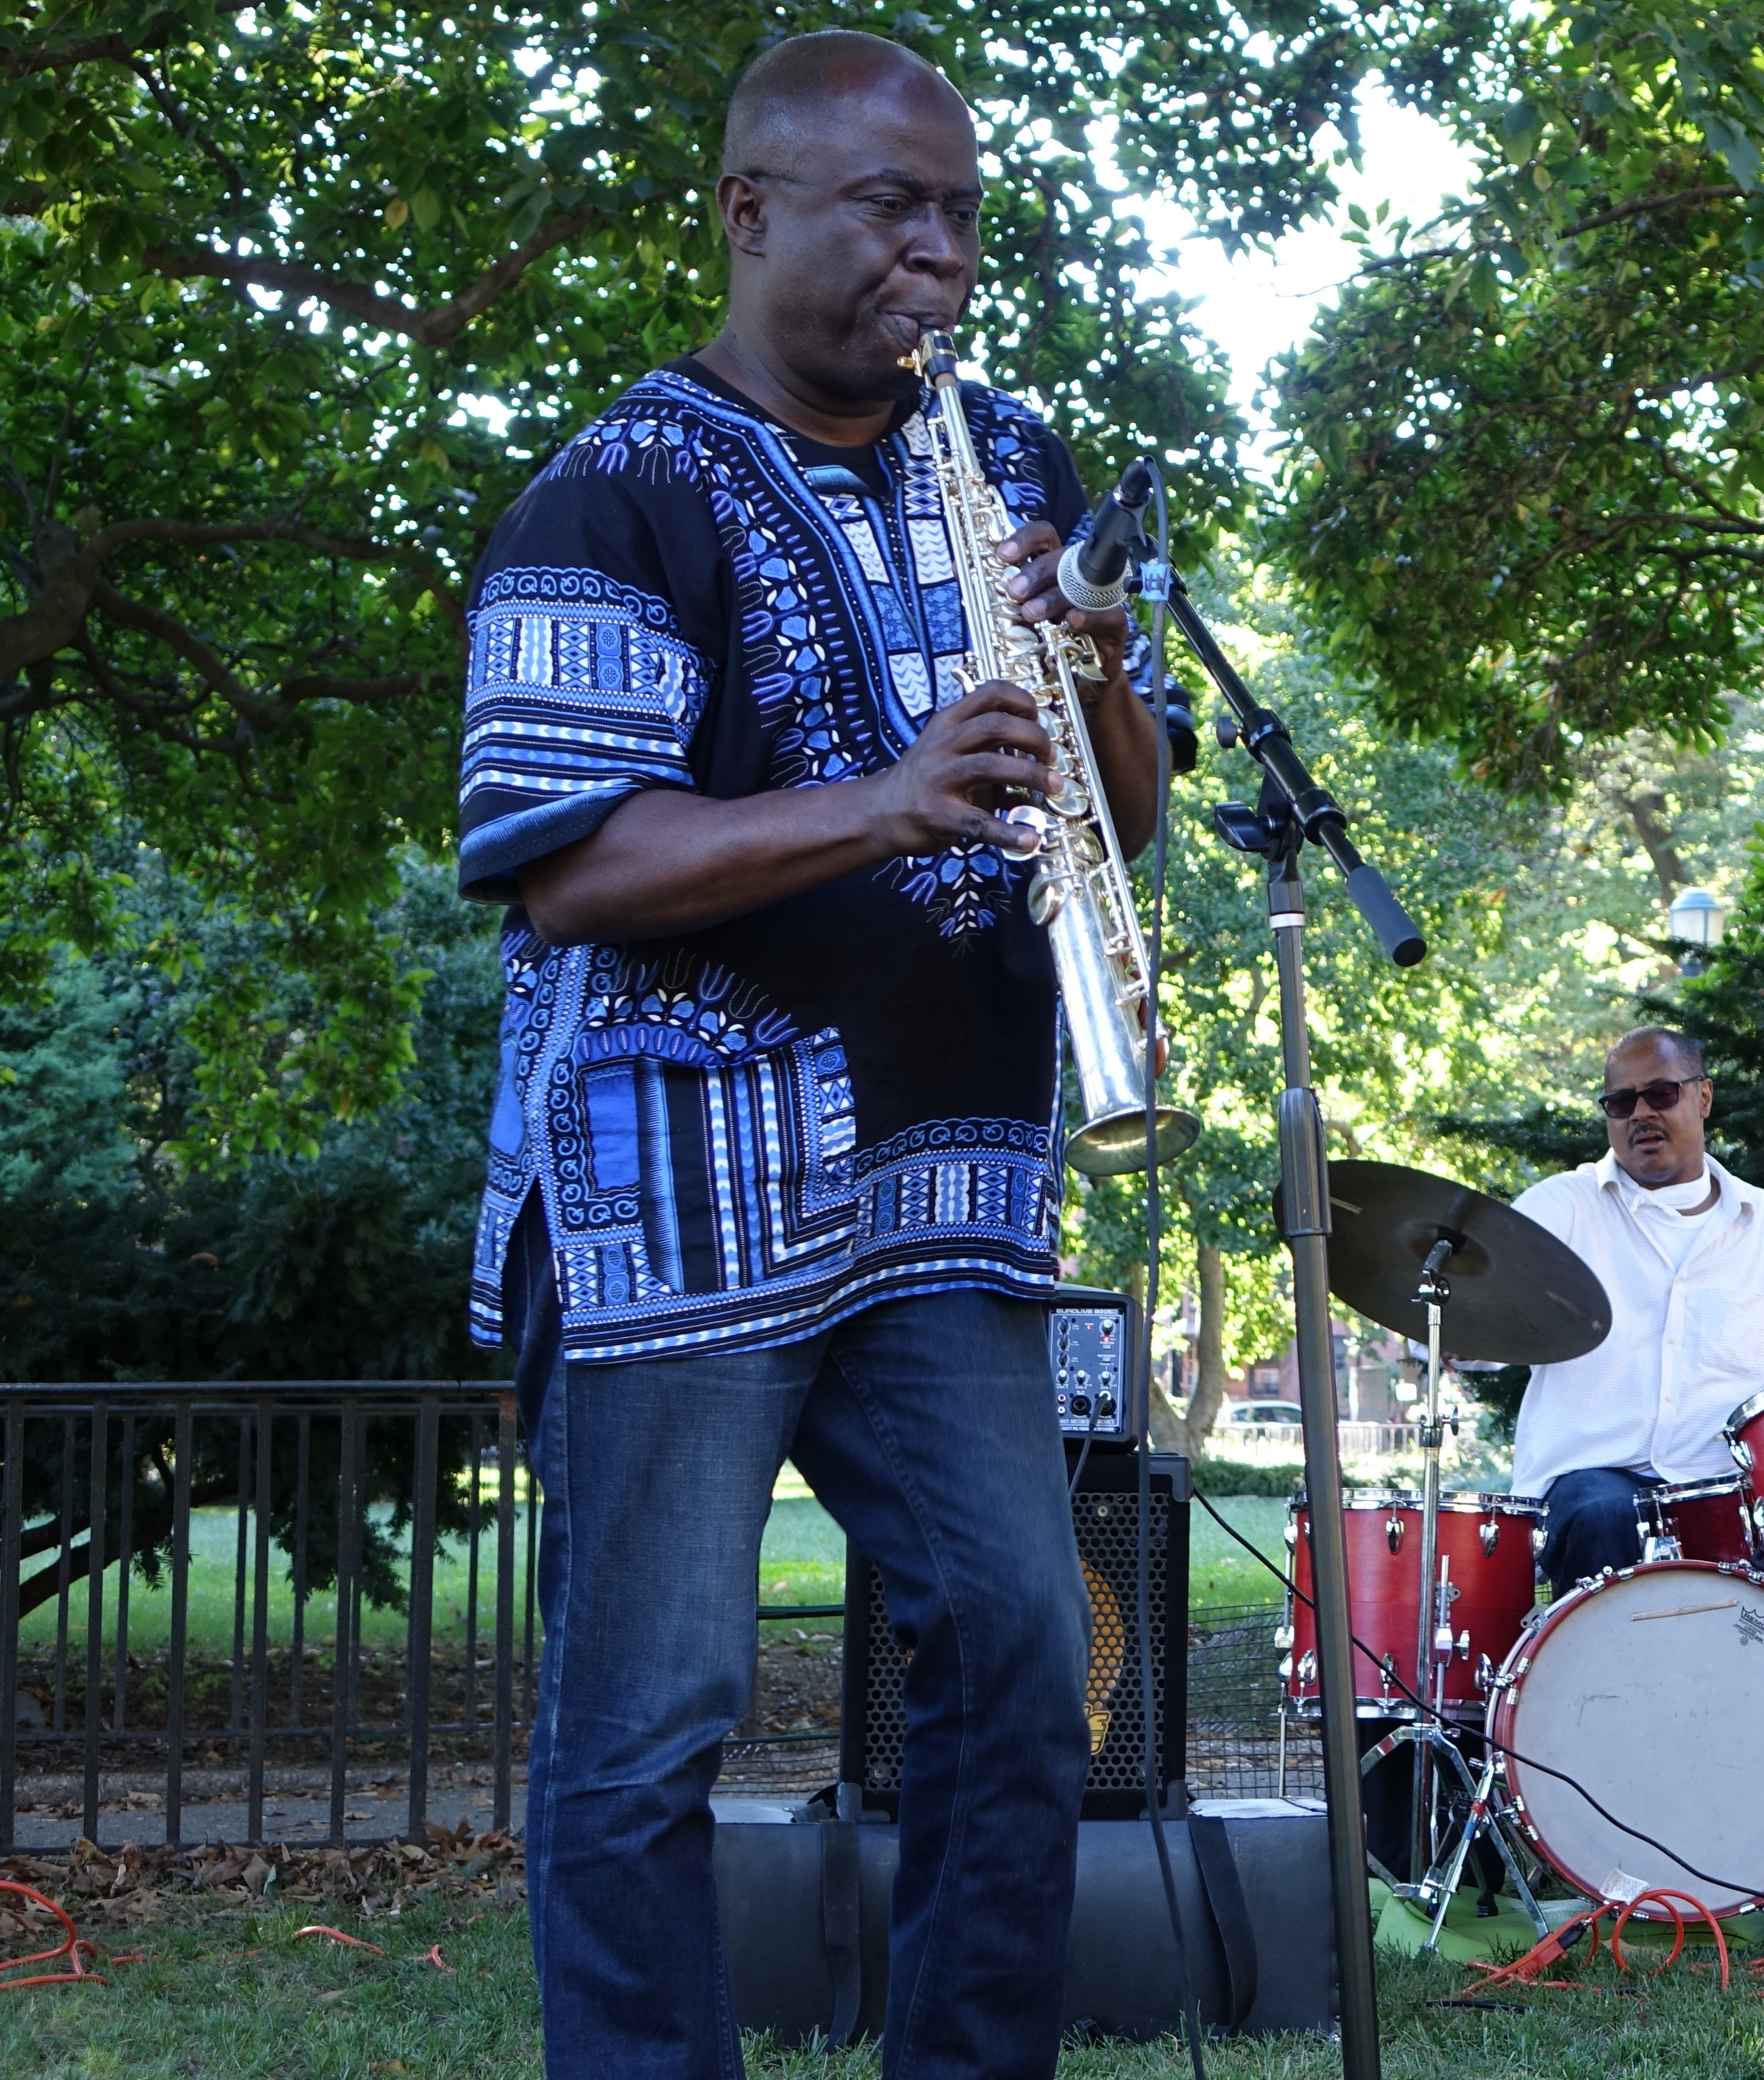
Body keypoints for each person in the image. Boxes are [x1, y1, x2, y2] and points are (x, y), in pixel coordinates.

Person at [454, 32, 1165, 2078]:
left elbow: (1134, 804)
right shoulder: (610, 489)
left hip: (944, 1189)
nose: (936, 250)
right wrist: (886, 795)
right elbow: (573, 863)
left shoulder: (1013, 456)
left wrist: (1100, 662)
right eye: (889, 207)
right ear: (752, 209)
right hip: (675, 1195)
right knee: (647, 1720)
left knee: (1035, 1657)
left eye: (956, 211)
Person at [1508, 1026, 1764, 1587]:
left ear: (1703, 1096)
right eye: (1621, 1102)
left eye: (1661, 1094)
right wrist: (1450, 1323)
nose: (1640, 1113)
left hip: (1734, 1490)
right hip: (1591, 1480)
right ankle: (1605, 1678)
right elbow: (1480, 1316)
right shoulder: (1560, 1209)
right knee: (1605, 1513)